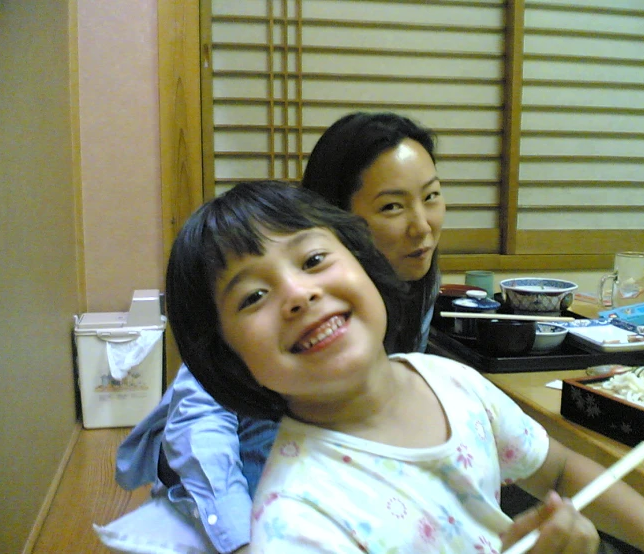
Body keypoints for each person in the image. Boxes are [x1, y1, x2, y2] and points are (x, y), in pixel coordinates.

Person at [167, 180, 644, 554]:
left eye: (313, 260)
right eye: (253, 296)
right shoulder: (297, 522)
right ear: (228, 360)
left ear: (364, 263)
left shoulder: (448, 381)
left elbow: (560, 468)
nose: (297, 294)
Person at [115, 111, 445, 553]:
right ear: (334, 218)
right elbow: (199, 427)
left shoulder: (405, 285)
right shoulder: (269, 327)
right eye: (392, 206)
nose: (422, 225)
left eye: (432, 196)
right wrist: (241, 542)